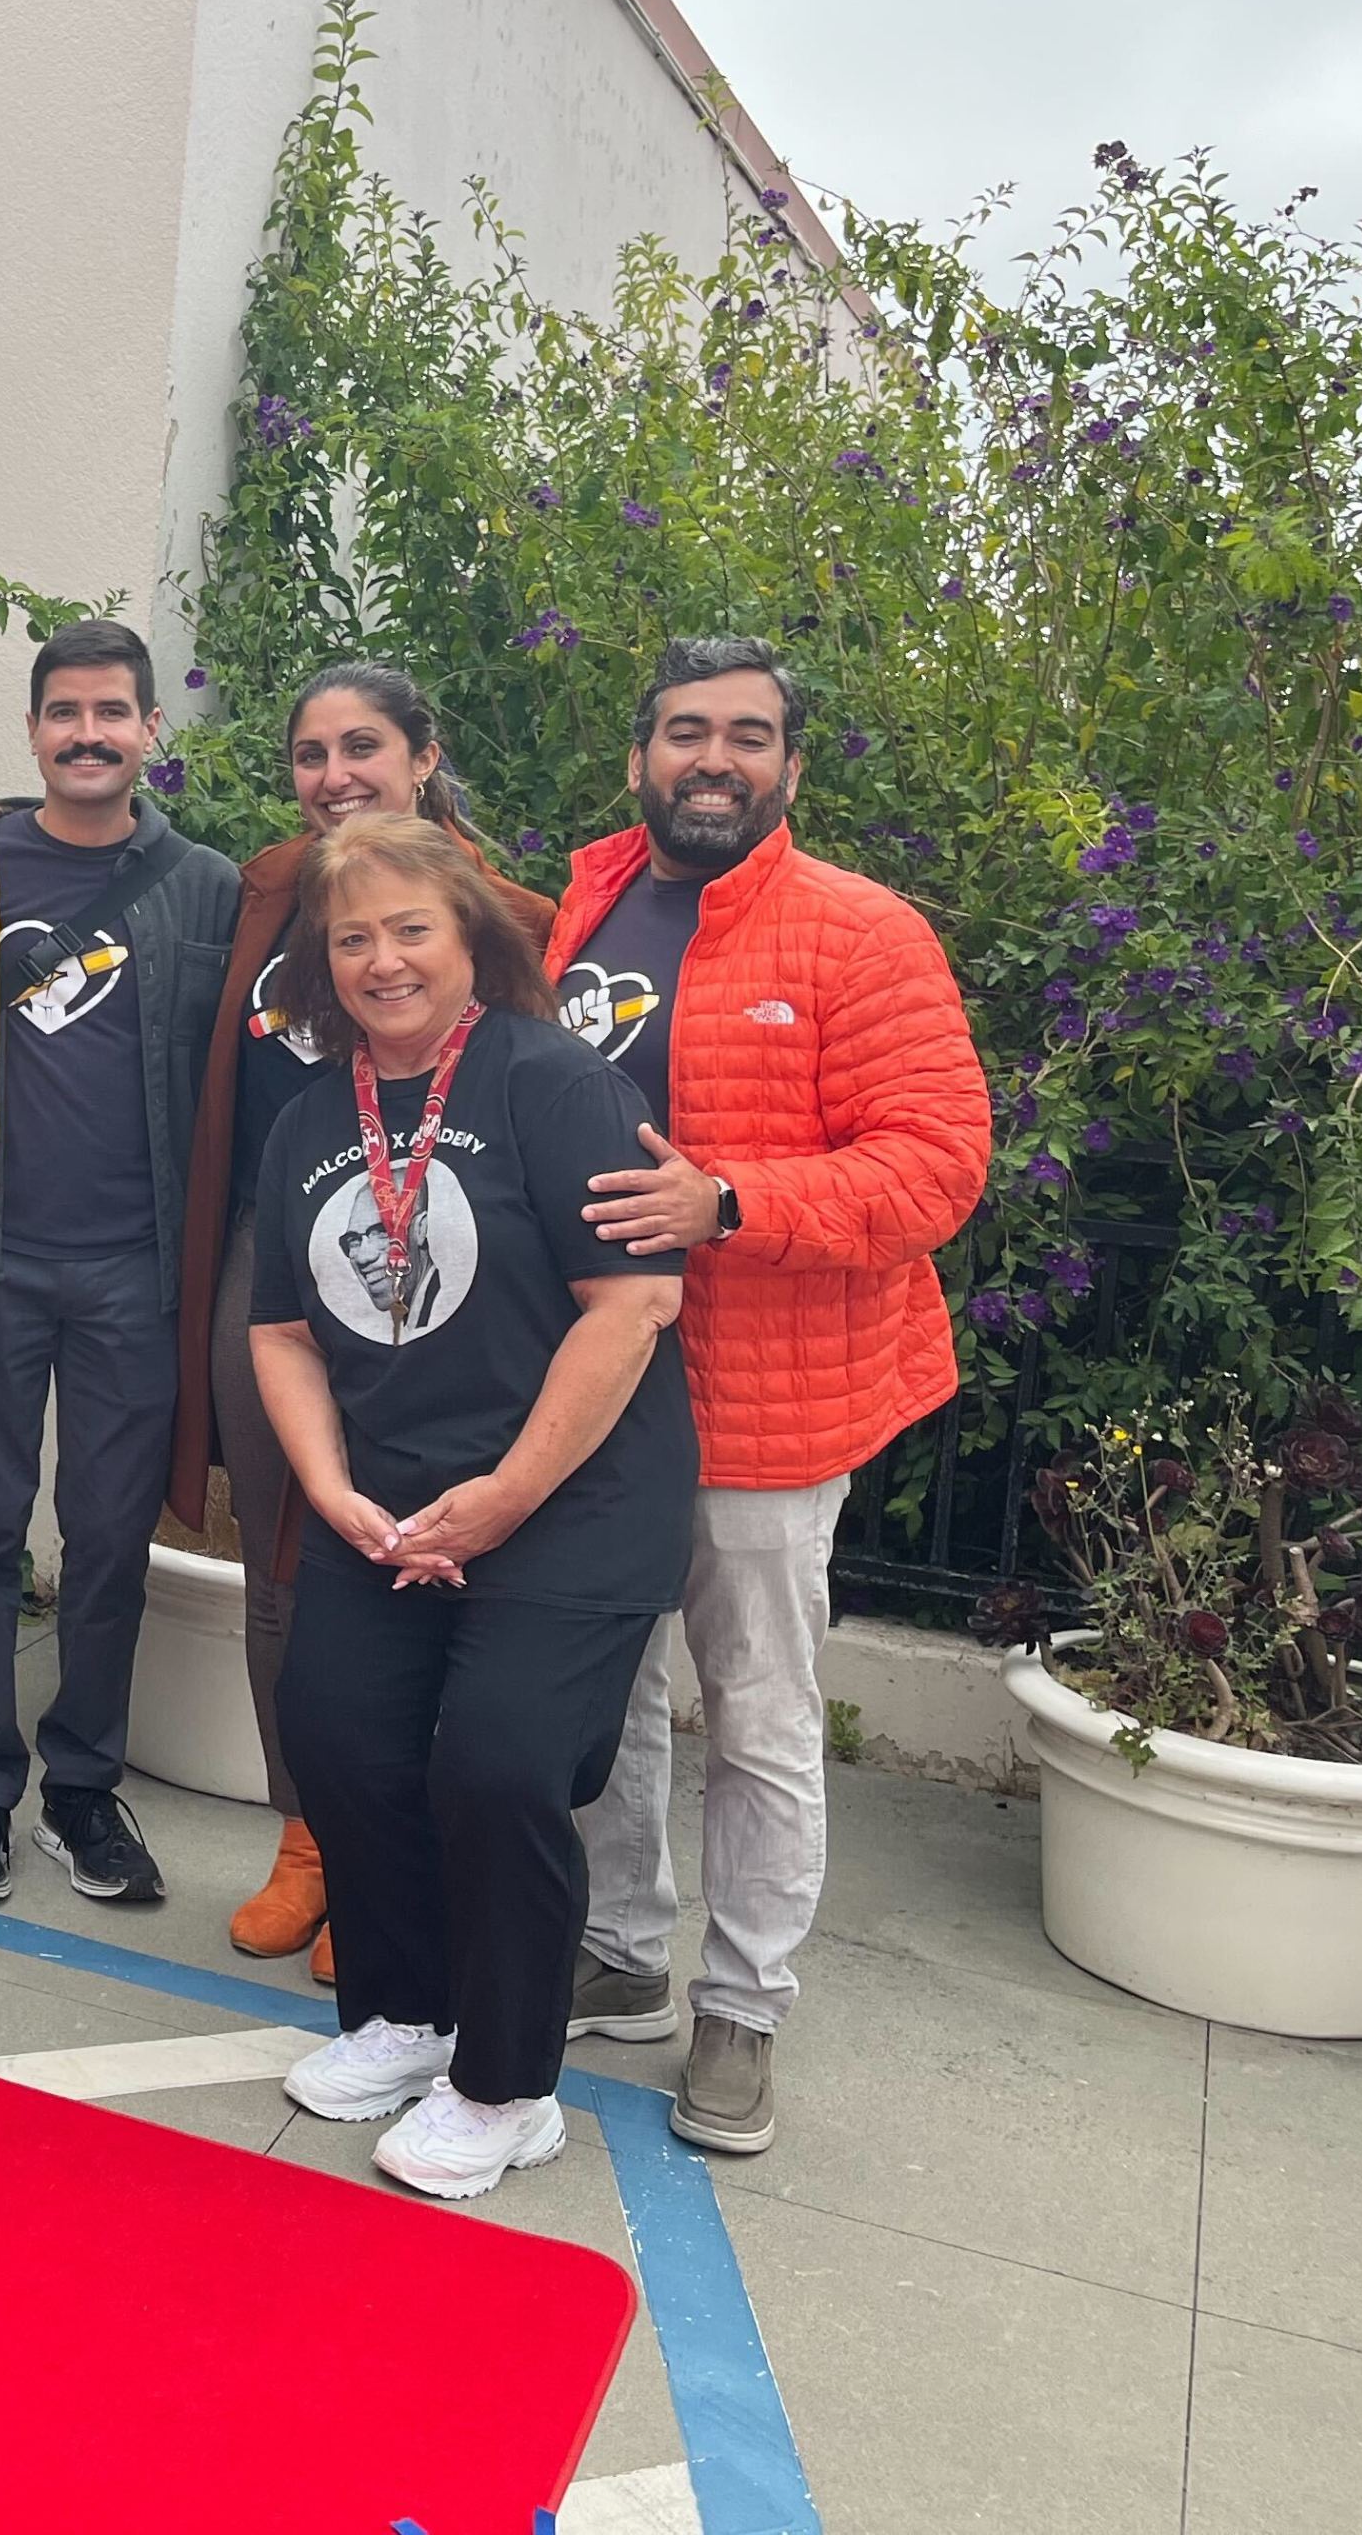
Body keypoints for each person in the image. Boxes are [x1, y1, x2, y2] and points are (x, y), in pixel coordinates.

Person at [554, 638, 987, 2154]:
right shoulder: (590, 899)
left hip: (768, 1405)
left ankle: (741, 2010)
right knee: (604, 1690)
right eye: (687, 731)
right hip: (600, 1389)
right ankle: (620, 1951)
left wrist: (727, 1203)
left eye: (748, 736)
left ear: (791, 770)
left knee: (759, 1720)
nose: (714, 759)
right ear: (641, 757)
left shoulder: (859, 933)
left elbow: (937, 1164)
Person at [245, 816, 694, 2201]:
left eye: (410, 930)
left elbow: (637, 1305)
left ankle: (507, 2084)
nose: (382, 961)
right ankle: (407, 2012)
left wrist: (504, 1497)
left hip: (570, 1498)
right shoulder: (313, 1114)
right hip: (384, 1501)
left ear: (471, 940)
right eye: (352, 938)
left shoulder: (553, 1080)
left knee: (496, 1769)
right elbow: (281, 1333)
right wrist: (328, 1490)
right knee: (339, 1735)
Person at [168, 663, 556, 1977]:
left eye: (364, 746)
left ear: (424, 752)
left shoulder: (505, 916)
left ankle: (402, 1849)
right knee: (286, 1552)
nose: (338, 774)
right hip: (273, 1273)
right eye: (312, 751)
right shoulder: (266, 892)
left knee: (431, 1551)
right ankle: (310, 1838)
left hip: (446, 1273)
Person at [0, 621, 239, 1906]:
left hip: (137, 1271)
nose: (90, 734)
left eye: (115, 712)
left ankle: (84, 1790)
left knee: (109, 1543)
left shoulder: (209, 887)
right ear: (36, 729)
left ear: (152, 731)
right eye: (66, 713)